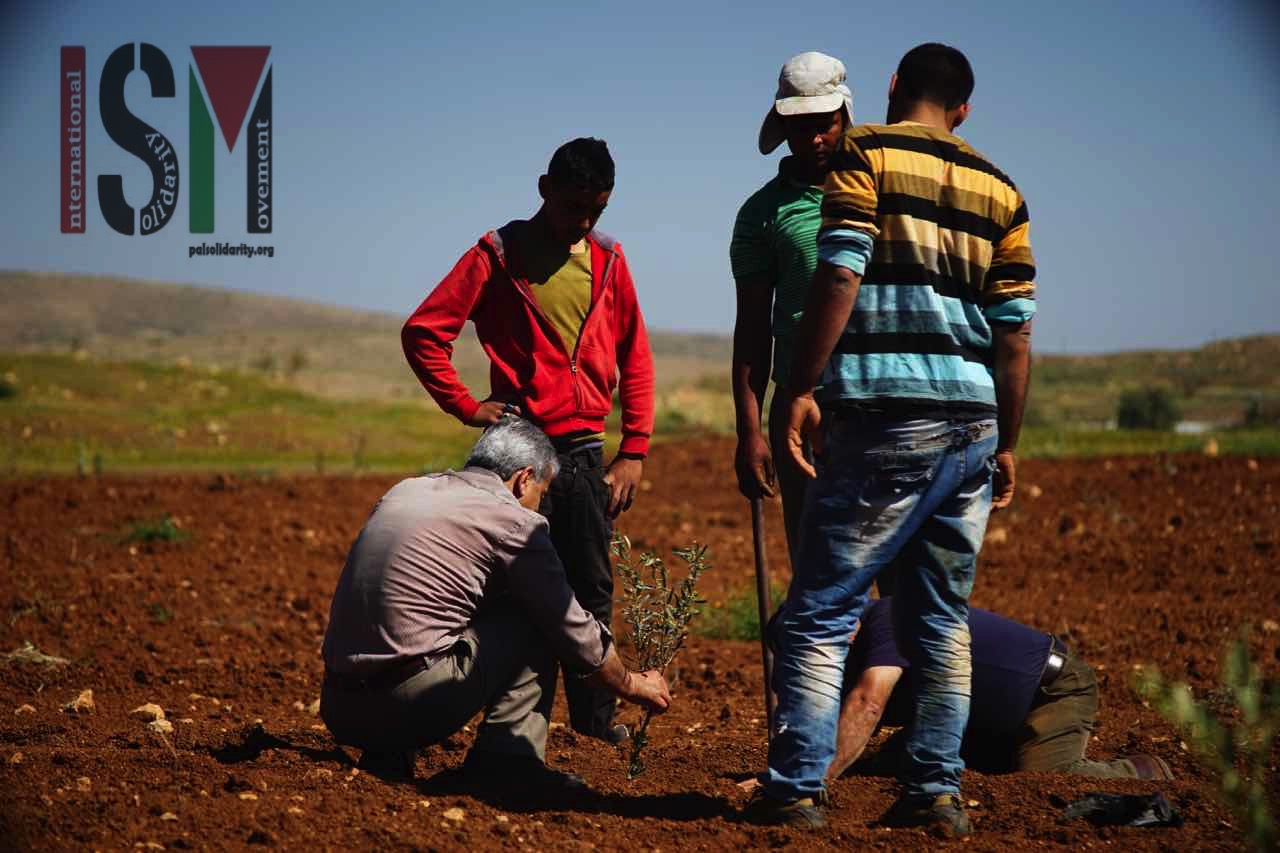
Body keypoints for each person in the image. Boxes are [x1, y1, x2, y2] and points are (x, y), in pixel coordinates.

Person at [747, 43, 1037, 836]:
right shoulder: (1002, 188)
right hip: (973, 425)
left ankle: (797, 787)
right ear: (965, 110)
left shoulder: (863, 153)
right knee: (940, 619)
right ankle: (935, 790)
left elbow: (841, 273)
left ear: (893, 89)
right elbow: (1014, 335)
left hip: (884, 415)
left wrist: (800, 386)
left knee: (819, 612)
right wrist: (1007, 442)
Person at [401, 138, 655, 745]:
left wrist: (635, 449)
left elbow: (635, 357)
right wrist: (467, 406)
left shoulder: (610, 259)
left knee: (590, 584)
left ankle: (596, 724)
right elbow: (423, 333)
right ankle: (497, 721)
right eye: (573, 208)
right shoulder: (495, 255)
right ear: (544, 189)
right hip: (519, 451)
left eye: (596, 210)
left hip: (588, 450)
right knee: (510, 584)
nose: (583, 224)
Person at [319, 418, 671, 788]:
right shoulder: (512, 521)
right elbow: (571, 627)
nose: (539, 505)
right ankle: (507, 761)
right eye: (542, 492)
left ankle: (388, 754)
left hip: (338, 705)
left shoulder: (406, 490)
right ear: (523, 479)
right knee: (535, 612)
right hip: (407, 707)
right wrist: (632, 685)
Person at [825, 598, 1174, 782]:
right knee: (892, 766)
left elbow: (868, 703)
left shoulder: (889, 619)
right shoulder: (842, 653)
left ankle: (1141, 772)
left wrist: (818, 778)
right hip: (978, 712)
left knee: (1047, 781)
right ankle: (1005, 752)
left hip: (1050, 690)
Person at [730, 51, 853, 561]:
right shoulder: (762, 214)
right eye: (801, 128)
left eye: (825, 125)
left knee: (894, 574)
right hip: (803, 407)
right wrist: (750, 432)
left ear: (846, 117)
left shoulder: (884, 192)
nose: (815, 139)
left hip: (882, 398)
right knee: (817, 565)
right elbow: (753, 333)